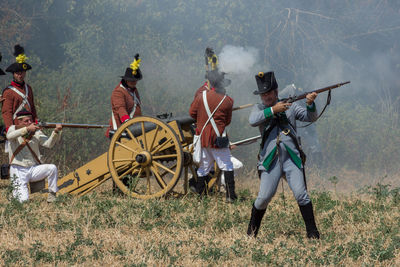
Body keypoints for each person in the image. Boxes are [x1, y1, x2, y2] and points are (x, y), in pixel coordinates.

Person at [247, 71, 320, 239]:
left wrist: (310, 103)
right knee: (263, 198)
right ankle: (251, 234)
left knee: (301, 195)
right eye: (263, 94)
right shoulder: (259, 108)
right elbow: (252, 120)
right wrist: (273, 110)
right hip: (270, 161)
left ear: (276, 92)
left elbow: (311, 117)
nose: (265, 96)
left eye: (268, 92)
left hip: (292, 160)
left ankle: (313, 233)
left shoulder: (291, 106)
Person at [189, 70, 237, 202]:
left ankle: (200, 195)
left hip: (203, 139)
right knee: (227, 165)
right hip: (218, 139)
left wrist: (202, 121)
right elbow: (227, 121)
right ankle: (230, 196)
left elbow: (192, 113)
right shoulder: (228, 101)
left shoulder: (201, 97)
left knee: (204, 167)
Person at [6, 109, 62, 203]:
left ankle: (52, 194)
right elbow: (9, 136)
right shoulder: (13, 128)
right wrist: (27, 129)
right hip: (18, 170)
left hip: (32, 168)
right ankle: (14, 194)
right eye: (26, 121)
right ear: (19, 121)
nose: (30, 122)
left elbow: (48, 144)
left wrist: (55, 132)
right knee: (23, 201)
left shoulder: (37, 132)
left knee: (52, 168)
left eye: (30, 120)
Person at [279, 84, 323, 165]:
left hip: (306, 118)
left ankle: (318, 166)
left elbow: (313, 108)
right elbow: (279, 98)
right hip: (296, 120)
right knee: (297, 144)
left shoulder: (308, 88)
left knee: (315, 144)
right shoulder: (289, 88)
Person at [2, 45, 38, 132]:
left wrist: (36, 121)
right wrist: (10, 129)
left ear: (25, 73)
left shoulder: (28, 88)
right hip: (17, 127)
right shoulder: (8, 91)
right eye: (17, 73)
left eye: (22, 72)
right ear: (13, 74)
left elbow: (32, 107)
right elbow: (7, 112)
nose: (20, 75)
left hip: (30, 125)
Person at [107, 54, 143, 138]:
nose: (134, 82)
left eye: (135, 80)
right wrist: (128, 122)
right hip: (121, 130)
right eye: (132, 80)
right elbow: (120, 109)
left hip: (134, 128)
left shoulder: (134, 90)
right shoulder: (118, 92)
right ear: (126, 80)